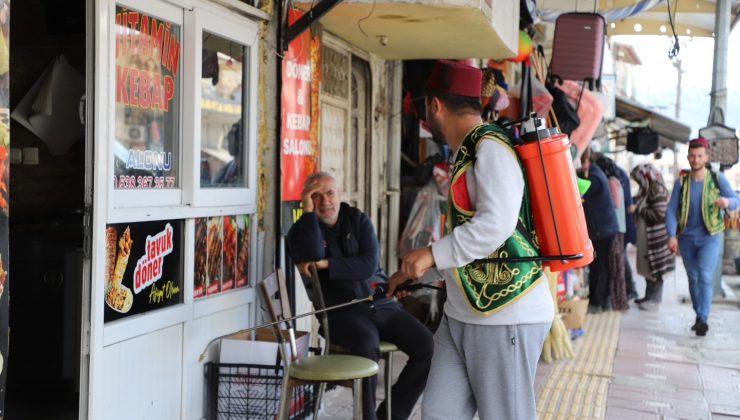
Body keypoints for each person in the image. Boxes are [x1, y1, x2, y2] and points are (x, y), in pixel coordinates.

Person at [388, 60, 553, 420]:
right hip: (462, 313)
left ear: (435, 105)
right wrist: (421, 272)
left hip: (506, 314)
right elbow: (473, 236)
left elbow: (496, 225)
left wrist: (430, 254)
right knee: (439, 412)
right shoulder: (469, 149)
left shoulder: (491, 147)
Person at [286, 172, 433, 420]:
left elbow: (368, 264)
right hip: (342, 313)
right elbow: (310, 253)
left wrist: (325, 266)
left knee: (427, 346)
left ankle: (391, 415)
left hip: (382, 304)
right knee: (367, 345)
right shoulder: (302, 230)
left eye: (330, 193)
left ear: (339, 194)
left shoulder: (358, 220)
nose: (325, 201)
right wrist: (308, 214)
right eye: (316, 196)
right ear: (308, 201)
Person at [666, 137, 739, 336]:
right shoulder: (681, 182)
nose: (695, 159)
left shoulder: (717, 179)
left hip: (711, 237)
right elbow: (672, 209)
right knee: (693, 278)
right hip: (687, 239)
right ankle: (699, 314)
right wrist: (671, 235)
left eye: (699, 156)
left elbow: (736, 200)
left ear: (706, 157)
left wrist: (726, 202)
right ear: (688, 157)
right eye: (692, 155)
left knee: (705, 275)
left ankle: (703, 317)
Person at [629, 163, 674, 311]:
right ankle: (648, 297)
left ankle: (654, 301)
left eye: (638, 178)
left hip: (657, 237)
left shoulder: (656, 189)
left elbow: (660, 214)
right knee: (649, 268)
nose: (638, 182)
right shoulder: (648, 189)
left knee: (657, 270)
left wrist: (639, 209)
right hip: (649, 237)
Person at [579, 147, 620, 313]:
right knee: (602, 266)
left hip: (602, 230)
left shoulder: (593, 177)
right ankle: (603, 301)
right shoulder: (595, 173)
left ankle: (597, 303)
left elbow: (579, 189)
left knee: (599, 267)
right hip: (604, 229)